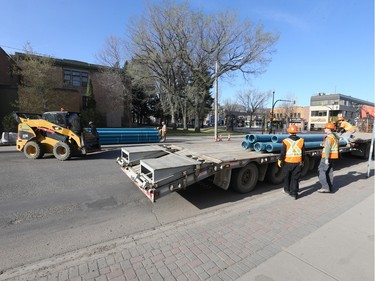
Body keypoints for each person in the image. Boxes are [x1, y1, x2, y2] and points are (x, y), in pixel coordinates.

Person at [277, 124, 305, 200]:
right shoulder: (301, 140)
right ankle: (294, 193)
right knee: (295, 178)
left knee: (287, 176)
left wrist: (280, 160)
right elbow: (303, 153)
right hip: (298, 162)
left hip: (288, 162)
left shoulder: (286, 141)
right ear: (296, 132)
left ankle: (287, 189)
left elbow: (283, 152)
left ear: (289, 132)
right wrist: (302, 161)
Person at [318, 122, 339, 193]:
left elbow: (327, 149)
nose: (324, 129)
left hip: (327, 157)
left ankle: (325, 187)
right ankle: (330, 187)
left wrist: (326, 158)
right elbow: (333, 146)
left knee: (321, 170)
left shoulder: (329, 137)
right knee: (329, 171)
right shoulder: (335, 136)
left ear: (329, 129)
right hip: (333, 156)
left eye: (325, 128)